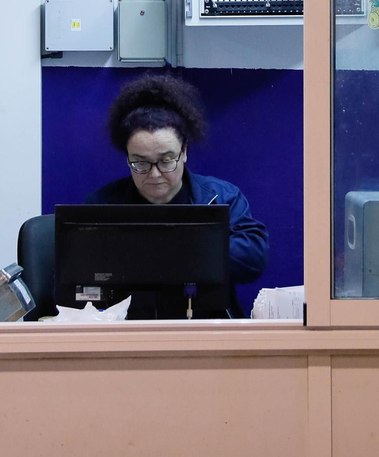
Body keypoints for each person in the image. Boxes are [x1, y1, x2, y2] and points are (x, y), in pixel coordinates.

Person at [86, 74, 268, 317]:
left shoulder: (221, 197)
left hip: (207, 329)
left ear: (184, 152)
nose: (154, 174)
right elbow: (79, 273)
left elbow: (254, 258)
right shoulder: (102, 204)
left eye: (166, 160)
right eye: (140, 163)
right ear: (127, 157)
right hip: (128, 331)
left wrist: (172, 249)